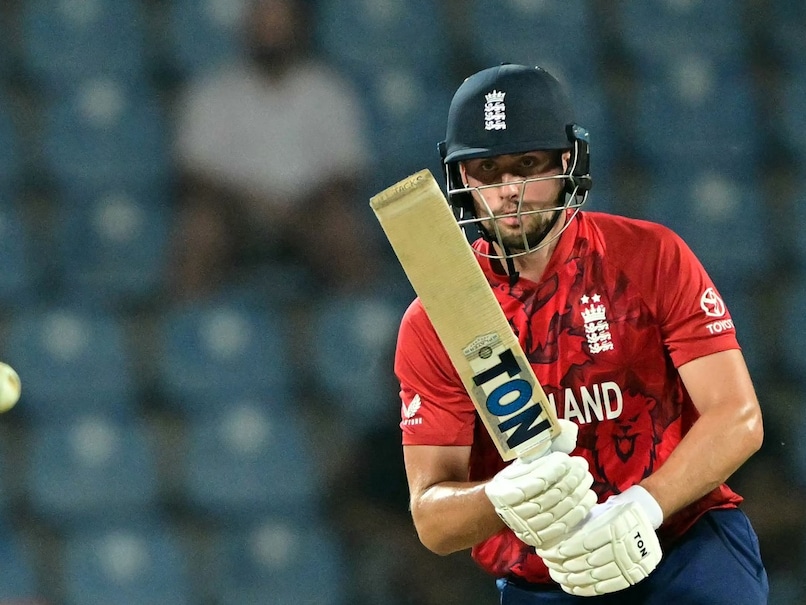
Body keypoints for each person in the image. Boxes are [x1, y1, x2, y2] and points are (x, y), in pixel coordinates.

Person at [393, 63, 768, 603]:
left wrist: (644, 505)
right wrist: (500, 498)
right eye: (487, 169)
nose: (509, 191)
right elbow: (432, 520)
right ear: (462, 179)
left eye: (528, 164)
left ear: (567, 161)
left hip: (684, 542)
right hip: (549, 578)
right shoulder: (436, 320)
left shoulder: (649, 257)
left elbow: (738, 417)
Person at [169, 0, 378, 300]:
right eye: (263, 22)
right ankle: (187, 321)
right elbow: (195, 173)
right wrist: (254, 203)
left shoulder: (328, 90)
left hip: (309, 211)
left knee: (342, 227)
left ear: (298, 27)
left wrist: (297, 207)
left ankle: (364, 318)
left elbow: (346, 173)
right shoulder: (214, 91)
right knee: (200, 229)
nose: (270, 31)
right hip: (234, 213)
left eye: (279, 22)